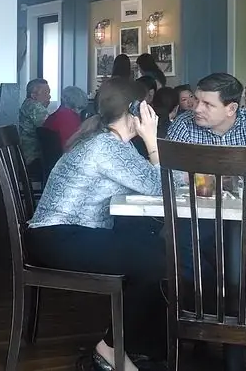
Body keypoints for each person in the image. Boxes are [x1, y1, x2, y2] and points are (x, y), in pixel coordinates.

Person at [27, 77, 164, 371]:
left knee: (153, 245)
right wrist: (152, 140)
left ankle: (140, 345)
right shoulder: (107, 147)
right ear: (137, 110)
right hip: (59, 238)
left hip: (63, 235)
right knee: (157, 260)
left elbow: (151, 180)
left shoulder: (111, 141)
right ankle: (110, 348)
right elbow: (158, 185)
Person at [166, 73, 246, 371]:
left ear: (231, 108)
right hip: (201, 219)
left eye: (207, 104)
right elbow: (167, 173)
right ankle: (208, 322)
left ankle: (235, 330)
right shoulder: (183, 126)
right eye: (196, 100)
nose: (197, 108)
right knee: (178, 246)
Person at [18, 78, 51, 178]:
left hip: (25, 157)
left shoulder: (27, 105)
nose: (49, 96)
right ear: (34, 95)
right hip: (33, 159)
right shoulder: (34, 106)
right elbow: (51, 128)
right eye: (46, 93)